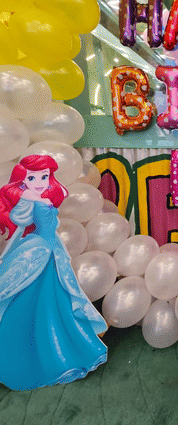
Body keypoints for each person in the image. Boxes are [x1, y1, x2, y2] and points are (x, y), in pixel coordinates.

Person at [0, 155, 107, 391]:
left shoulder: (43, 196)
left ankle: (54, 351)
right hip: (39, 252)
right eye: (32, 177)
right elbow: (21, 218)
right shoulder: (28, 197)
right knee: (34, 304)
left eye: (44, 176)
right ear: (22, 178)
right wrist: (26, 198)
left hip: (50, 252)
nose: (38, 181)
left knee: (54, 304)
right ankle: (26, 357)